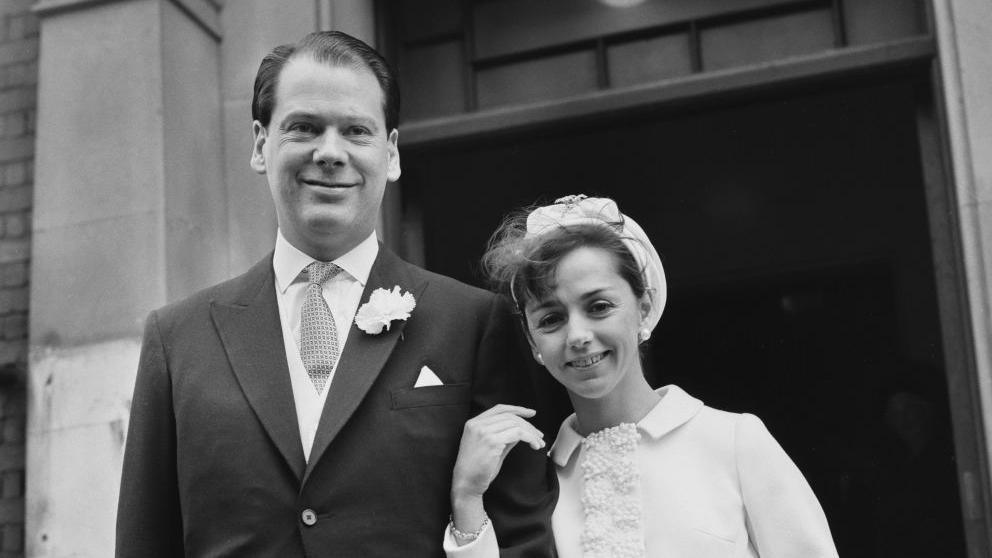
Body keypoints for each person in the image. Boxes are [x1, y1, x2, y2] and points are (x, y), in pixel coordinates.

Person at [116, 31, 556, 557]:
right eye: (304, 127)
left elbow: (522, 537)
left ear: (390, 154)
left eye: (356, 131)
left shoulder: (474, 322)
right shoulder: (176, 339)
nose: (329, 152)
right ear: (261, 145)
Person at [444, 195, 839, 557]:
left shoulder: (734, 441)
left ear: (643, 308)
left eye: (598, 306)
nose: (578, 336)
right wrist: (466, 496)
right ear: (533, 343)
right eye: (551, 319)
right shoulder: (538, 479)